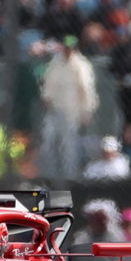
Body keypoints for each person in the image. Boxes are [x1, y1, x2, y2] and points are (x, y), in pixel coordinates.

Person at [39, 37, 96, 184]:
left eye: (70, 48)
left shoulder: (81, 65)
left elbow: (86, 89)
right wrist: (46, 99)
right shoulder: (56, 62)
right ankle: (48, 177)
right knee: (48, 143)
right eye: (66, 47)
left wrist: (86, 111)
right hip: (54, 110)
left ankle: (70, 179)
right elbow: (48, 84)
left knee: (69, 147)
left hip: (72, 112)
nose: (68, 50)